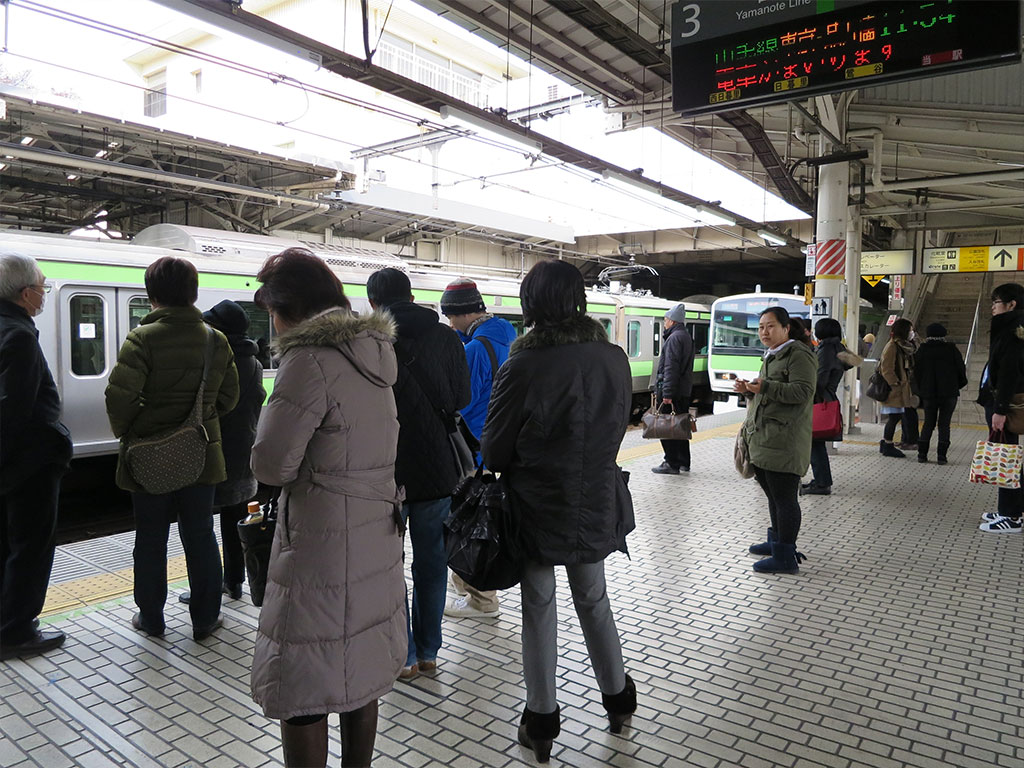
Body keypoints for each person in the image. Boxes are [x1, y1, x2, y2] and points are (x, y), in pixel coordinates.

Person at [249, 249, 406, 767]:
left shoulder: (307, 360)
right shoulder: (373, 353)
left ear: (287, 307)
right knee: (360, 671)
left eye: (271, 309)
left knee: (304, 680)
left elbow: (272, 465)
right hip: (375, 532)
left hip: (320, 541)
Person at [482, 260, 637, 762]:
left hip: (537, 505)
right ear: (578, 300)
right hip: (596, 497)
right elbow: (617, 427)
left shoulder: (522, 365)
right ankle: (618, 703)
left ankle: (542, 722)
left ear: (531, 305)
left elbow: (495, 452)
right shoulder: (613, 357)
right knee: (594, 598)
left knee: (539, 606)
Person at [105, 256, 238, 641]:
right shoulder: (216, 339)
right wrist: (201, 421)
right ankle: (204, 619)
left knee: (150, 538)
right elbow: (229, 396)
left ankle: (152, 618)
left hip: (146, 457)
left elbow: (119, 400)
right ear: (193, 293)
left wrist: (136, 431)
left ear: (152, 296)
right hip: (201, 454)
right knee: (200, 535)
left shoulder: (141, 339)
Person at [366, 267, 471, 680]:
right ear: (411, 297)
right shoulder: (445, 336)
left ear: (374, 304)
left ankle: (403, 655)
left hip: (383, 471)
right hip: (435, 472)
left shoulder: (370, 340)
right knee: (431, 564)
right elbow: (461, 396)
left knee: (388, 568)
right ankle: (429, 652)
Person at [0, 252, 72, 661]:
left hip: (9, 465)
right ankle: (16, 631)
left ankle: (6, 621)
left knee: (5, 545)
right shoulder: (20, 335)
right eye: (42, 289)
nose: (44, 295)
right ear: (26, 294)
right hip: (27, 466)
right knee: (30, 547)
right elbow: (15, 410)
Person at [439, 277, 517, 619]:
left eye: (451, 317)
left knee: (470, 524)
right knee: (488, 520)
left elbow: (462, 402)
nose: (449, 323)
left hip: (475, 447)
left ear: (461, 314)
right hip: (501, 444)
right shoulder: (508, 337)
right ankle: (484, 596)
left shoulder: (473, 351)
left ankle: (480, 600)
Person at [180, 300, 265, 605]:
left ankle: (209, 588)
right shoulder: (254, 362)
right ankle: (234, 582)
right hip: (243, 450)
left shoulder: (214, 358)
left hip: (210, 450)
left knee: (201, 525)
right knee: (235, 517)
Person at [735, 306, 815, 574]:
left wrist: (766, 387)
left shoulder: (799, 354)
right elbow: (769, 394)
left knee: (784, 497)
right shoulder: (772, 355)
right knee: (772, 494)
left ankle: (785, 557)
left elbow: (803, 392)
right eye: (760, 327)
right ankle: (776, 542)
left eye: (770, 326)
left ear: (785, 328)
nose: (764, 332)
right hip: (766, 437)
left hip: (785, 439)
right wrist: (749, 390)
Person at [977, 283, 1024, 533]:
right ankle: (1015, 509)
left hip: (1002, 404)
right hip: (998, 401)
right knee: (1011, 459)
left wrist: (1000, 409)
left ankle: (1011, 516)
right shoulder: (1011, 328)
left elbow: (1008, 373)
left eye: (996, 302)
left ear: (1011, 304)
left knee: (1007, 459)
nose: (993, 307)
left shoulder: (1012, 331)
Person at [802, 318, 860, 496]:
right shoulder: (838, 348)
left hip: (820, 399)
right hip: (828, 397)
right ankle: (821, 480)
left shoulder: (826, 350)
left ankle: (822, 483)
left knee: (814, 443)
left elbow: (820, 379)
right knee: (816, 443)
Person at [914, 322, 967, 464]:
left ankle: (922, 455)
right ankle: (942, 456)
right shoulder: (951, 350)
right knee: (944, 424)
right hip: (949, 393)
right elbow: (961, 370)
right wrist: (957, 385)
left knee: (928, 423)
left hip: (929, 393)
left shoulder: (922, 350)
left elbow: (916, 373)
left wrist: (922, 389)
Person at [651, 304, 695, 475]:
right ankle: (684, 461)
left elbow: (671, 367)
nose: (664, 323)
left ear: (672, 321)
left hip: (673, 391)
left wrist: (667, 393)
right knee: (680, 426)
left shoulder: (674, 338)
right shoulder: (685, 336)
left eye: (665, 319)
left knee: (667, 427)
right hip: (683, 390)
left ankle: (671, 462)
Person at [878, 318, 917, 458]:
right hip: (894, 390)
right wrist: (895, 383)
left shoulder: (900, 346)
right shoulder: (892, 346)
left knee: (895, 417)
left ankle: (885, 444)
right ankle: (888, 445)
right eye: (910, 330)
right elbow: (886, 368)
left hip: (899, 389)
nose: (912, 333)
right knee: (894, 417)